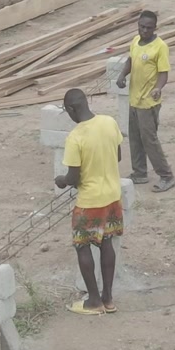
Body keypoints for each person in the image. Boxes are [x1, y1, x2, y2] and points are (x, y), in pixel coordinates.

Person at [55, 88, 123, 314]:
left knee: (82, 245)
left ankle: (94, 301)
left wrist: (62, 180)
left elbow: (74, 178)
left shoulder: (75, 137)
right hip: (112, 196)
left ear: (72, 109)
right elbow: (118, 155)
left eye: (68, 111)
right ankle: (109, 298)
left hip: (90, 201)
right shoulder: (109, 122)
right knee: (107, 242)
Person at [114, 10, 175, 192]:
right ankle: (139, 172)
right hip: (134, 99)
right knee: (134, 138)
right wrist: (122, 75)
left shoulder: (160, 47)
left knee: (149, 140)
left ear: (155, 28)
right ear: (138, 26)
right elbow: (130, 60)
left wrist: (158, 88)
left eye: (149, 28)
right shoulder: (135, 41)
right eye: (142, 27)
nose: (145, 30)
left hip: (148, 102)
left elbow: (164, 73)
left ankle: (166, 176)